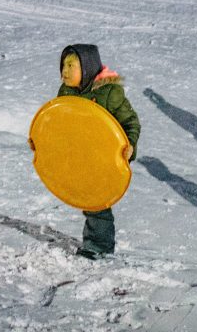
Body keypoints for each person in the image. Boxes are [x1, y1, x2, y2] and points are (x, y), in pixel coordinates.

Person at [56, 44, 140, 259]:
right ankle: (94, 242)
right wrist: (43, 142)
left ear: (86, 68)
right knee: (86, 198)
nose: (64, 71)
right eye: (63, 65)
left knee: (97, 202)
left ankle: (98, 247)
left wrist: (129, 145)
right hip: (80, 155)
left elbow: (130, 121)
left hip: (104, 157)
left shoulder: (109, 92)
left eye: (71, 65)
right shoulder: (66, 92)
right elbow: (57, 124)